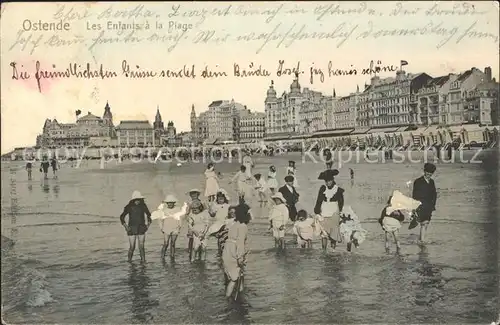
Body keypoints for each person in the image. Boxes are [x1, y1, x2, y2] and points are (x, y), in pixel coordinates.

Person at [222, 203, 250, 298]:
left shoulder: (234, 225)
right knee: (234, 278)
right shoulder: (243, 226)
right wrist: (240, 257)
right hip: (235, 252)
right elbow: (240, 243)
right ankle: (228, 298)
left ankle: (241, 291)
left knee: (238, 274)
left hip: (227, 251)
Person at [313, 169, 344, 251]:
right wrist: (317, 211)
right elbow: (319, 200)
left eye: (329, 181)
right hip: (324, 210)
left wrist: (340, 212)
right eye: (326, 181)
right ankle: (324, 251)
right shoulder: (323, 189)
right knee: (324, 233)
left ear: (333, 180)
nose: (327, 183)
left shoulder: (338, 190)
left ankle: (333, 251)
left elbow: (341, 202)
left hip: (334, 211)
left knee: (333, 232)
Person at [120, 191, 152, 262]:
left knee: (141, 247)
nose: (138, 201)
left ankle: (143, 262)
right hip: (131, 228)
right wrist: (126, 227)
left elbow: (149, 215)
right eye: (136, 199)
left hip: (141, 228)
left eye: (139, 199)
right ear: (133, 200)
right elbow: (122, 217)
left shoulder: (143, 206)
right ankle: (129, 262)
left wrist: (148, 225)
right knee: (132, 247)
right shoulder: (129, 206)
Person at [156, 195, 188, 260]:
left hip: (175, 228)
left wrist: (179, 227)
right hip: (166, 228)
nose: (170, 204)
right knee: (166, 243)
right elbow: (160, 220)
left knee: (173, 243)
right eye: (169, 203)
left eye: (171, 203)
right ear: (167, 203)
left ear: (174, 203)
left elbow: (180, 219)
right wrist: (161, 228)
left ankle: (172, 256)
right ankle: (162, 256)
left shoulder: (178, 209)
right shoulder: (164, 210)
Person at [412, 163, 437, 243]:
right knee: (424, 223)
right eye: (428, 172)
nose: (429, 174)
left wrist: (433, 205)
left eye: (431, 172)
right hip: (421, 205)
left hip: (429, 206)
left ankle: (421, 239)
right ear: (424, 171)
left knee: (426, 223)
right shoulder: (418, 181)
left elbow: (434, 194)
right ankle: (422, 240)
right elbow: (415, 195)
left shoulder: (432, 182)